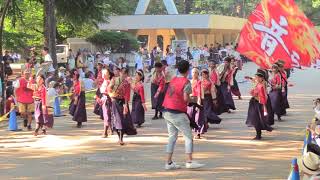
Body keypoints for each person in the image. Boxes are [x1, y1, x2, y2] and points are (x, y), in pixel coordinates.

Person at [162, 60, 205, 170]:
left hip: (166, 110)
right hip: (177, 112)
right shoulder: (186, 82)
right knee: (188, 137)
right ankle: (189, 161)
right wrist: (193, 100)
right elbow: (186, 98)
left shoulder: (173, 80)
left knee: (172, 137)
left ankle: (168, 162)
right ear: (188, 70)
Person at [108, 68, 137, 145]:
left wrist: (125, 105)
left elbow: (127, 94)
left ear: (127, 74)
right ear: (120, 72)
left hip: (123, 102)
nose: (123, 75)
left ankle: (121, 138)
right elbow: (109, 89)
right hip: (115, 101)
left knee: (122, 120)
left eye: (125, 74)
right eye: (122, 73)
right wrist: (112, 97)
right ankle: (119, 137)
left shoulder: (127, 83)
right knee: (117, 119)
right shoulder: (114, 80)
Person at [245, 69, 273, 140]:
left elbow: (262, 97)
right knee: (256, 119)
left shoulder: (262, 85)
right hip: (254, 103)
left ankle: (259, 134)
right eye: (255, 77)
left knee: (257, 119)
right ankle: (259, 133)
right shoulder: (258, 83)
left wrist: (254, 95)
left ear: (262, 78)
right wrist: (250, 78)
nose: (256, 79)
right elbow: (254, 80)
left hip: (258, 104)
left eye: (257, 77)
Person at [187, 68, 205, 139]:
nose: (194, 74)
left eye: (195, 72)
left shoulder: (199, 82)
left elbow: (199, 93)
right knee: (190, 116)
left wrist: (199, 102)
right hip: (190, 100)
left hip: (197, 100)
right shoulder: (189, 82)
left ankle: (198, 133)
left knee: (198, 117)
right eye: (193, 72)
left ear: (198, 74)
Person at [99, 68, 114, 138]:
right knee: (107, 114)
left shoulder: (108, 82)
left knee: (107, 115)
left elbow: (109, 91)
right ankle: (111, 130)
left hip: (107, 99)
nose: (104, 75)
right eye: (103, 73)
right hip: (104, 99)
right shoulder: (105, 81)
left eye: (105, 73)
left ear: (108, 75)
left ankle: (105, 132)